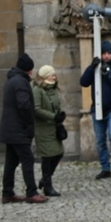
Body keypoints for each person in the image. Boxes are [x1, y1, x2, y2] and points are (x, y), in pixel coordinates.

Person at [0, 53, 47, 204]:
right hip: (18, 130)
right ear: (28, 70)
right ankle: (31, 192)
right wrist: (28, 124)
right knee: (28, 159)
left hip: (10, 129)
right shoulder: (20, 82)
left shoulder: (12, 80)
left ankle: (7, 192)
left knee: (11, 161)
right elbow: (24, 105)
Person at [80, 40, 111, 180]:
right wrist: (91, 68)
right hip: (97, 110)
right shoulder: (95, 69)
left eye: (108, 53)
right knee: (100, 141)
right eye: (104, 53)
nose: (106, 56)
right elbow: (83, 82)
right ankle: (105, 168)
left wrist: (109, 73)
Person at [32, 64, 65, 197]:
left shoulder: (54, 88)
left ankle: (45, 180)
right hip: (43, 128)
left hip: (53, 128)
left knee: (59, 153)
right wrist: (53, 117)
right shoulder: (37, 90)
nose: (54, 76)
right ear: (46, 76)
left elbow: (56, 105)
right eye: (52, 74)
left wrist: (60, 115)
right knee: (47, 157)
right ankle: (47, 186)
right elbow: (37, 109)